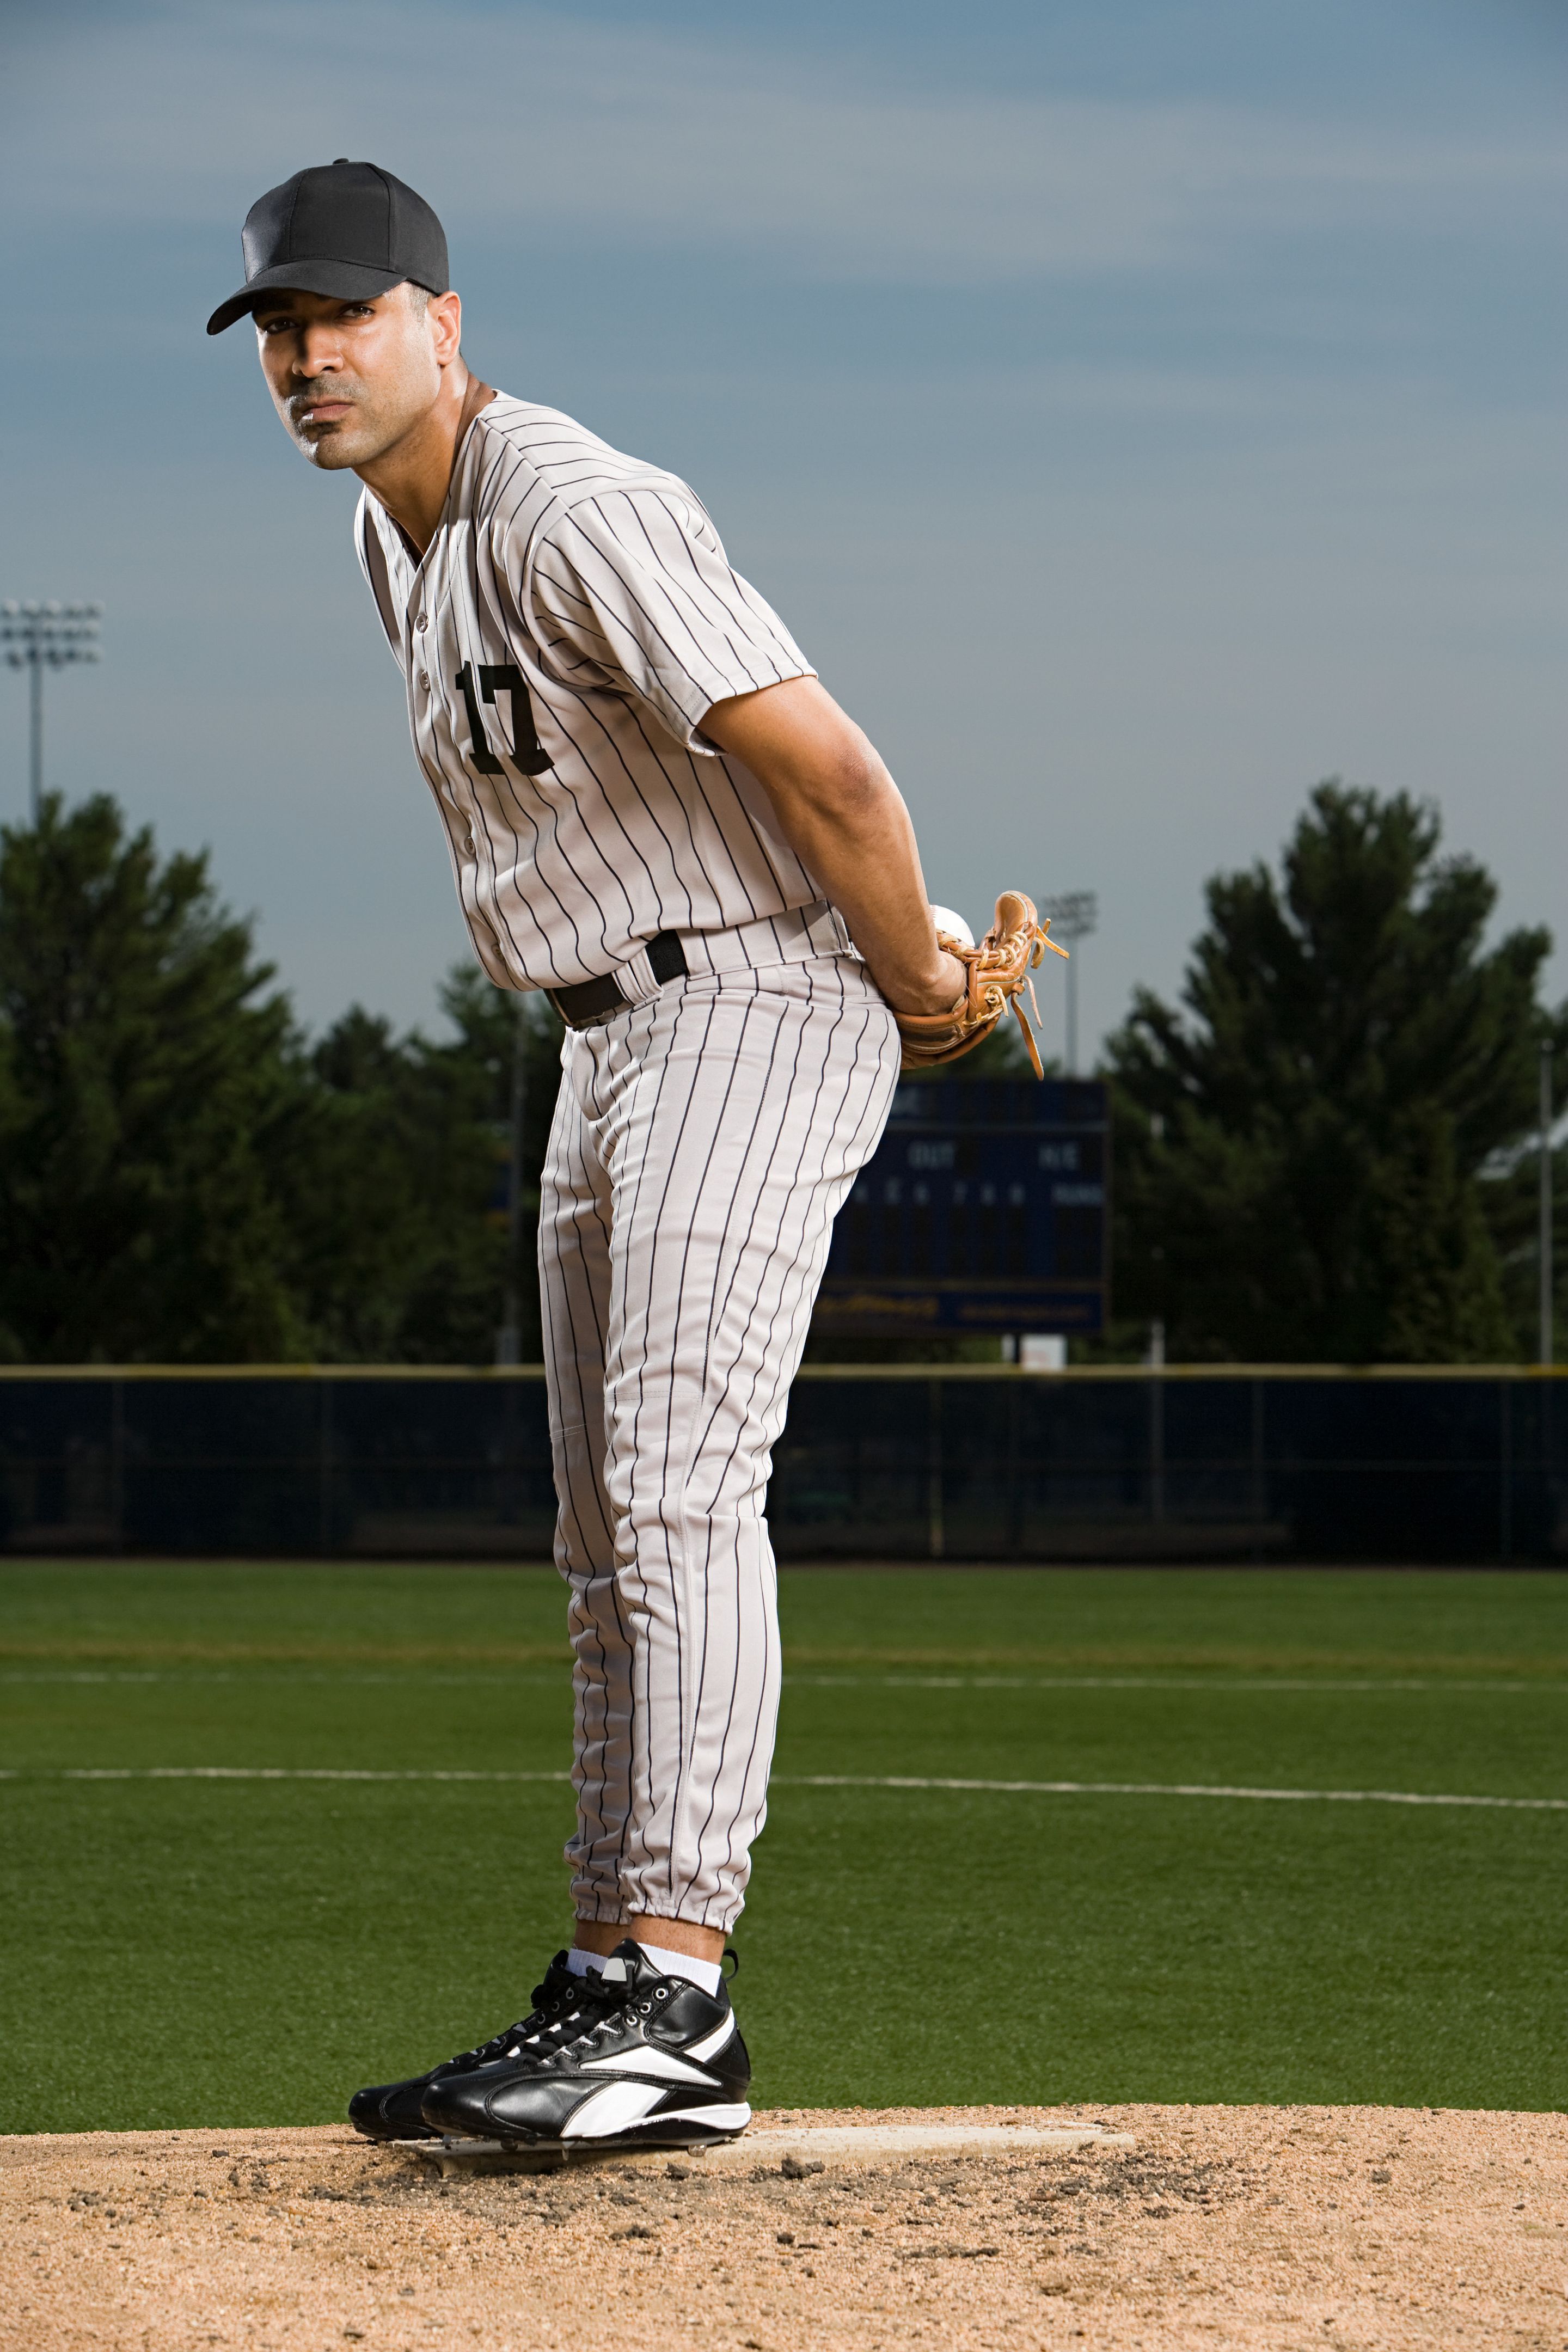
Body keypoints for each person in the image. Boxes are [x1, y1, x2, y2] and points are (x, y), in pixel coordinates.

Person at [209, 158, 966, 2153]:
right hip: (605, 1037)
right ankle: (609, 1977)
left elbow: (831, 766)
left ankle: (680, 1999)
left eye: (347, 316)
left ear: (444, 328)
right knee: (598, 1536)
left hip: (750, 998)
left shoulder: (571, 504)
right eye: (281, 327)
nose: (309, 355)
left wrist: (922, 984)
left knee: (679, 1490)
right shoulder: (397, 539)